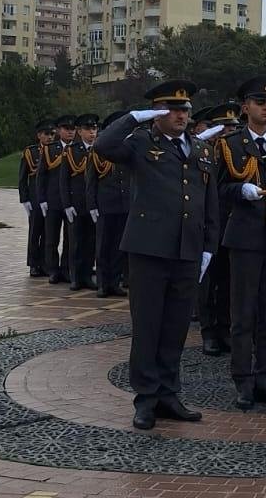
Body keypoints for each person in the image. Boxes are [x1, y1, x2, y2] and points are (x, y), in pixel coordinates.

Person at [94, 79, 218, 430]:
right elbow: (104, 146)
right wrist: (132, 117)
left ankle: (168, 393)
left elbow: (208, 201)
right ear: (158, 112)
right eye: (172, 109)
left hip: (187, 250)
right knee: (148, 326)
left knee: (176, 327)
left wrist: (208, 246)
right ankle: (146, 398)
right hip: (149, 249)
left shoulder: (199, 149)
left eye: (185, 109)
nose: (181, 115)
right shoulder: (139, 143)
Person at [217, 76, 266, 410]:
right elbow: (219, 191)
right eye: (260, 102)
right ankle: (243, 380)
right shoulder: (230, 145)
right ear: (245, 107)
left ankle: (265, 377)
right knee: (243, 314)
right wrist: (240, 190)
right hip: (246, 239)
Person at [197, 102, 242, 355]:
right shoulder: (200, 152)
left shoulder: (239, 152)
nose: (227, 133)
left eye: (232, 128)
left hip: (231, 223)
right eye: (222, 128)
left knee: (227, 281)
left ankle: (225, 328)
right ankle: (208, 331)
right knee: (206, 281)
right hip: (204, 224)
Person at [87, 111, 131, 297]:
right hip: (106, 204)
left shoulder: (128, 149)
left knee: (120, 247)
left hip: (124, 205)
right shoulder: (98, 151)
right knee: (104, 245)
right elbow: (91, 181)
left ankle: (115, 281)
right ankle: (103, 284)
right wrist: (92, 205)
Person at [59, 114, 99, 291]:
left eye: (94, 129)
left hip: (94, 205)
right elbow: (63, 180)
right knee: (75, 242)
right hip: (76, 204)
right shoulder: (71, 151)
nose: (92, 132)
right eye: (88, 129)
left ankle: (87, 275)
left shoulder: (100, 150)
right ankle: (75, 276)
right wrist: (67, 204)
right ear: (80, 132)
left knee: (91, 242)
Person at [37, 114, 76, 283]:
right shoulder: (49, 149)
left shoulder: (78, 149)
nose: (70, 132)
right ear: (59, 130)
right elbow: (41, 176)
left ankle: (66, 268)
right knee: (51, 238)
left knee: (70, 238)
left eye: (73, 129)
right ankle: (52, 269)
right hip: (53, 200)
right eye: (67, 129)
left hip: (71, 200)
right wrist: (42, 199)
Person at [19, 118, 54, 277]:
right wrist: (24, 198)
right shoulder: (30, 152)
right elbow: (23, 177)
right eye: (46, 134)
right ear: (39, 135)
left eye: (52, 134)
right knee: (35, 232)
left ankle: (46, 264)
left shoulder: (55, 151)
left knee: (48, 233)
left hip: (50, 197)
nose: (50, 137)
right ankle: (33, 264)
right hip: (34, 198)